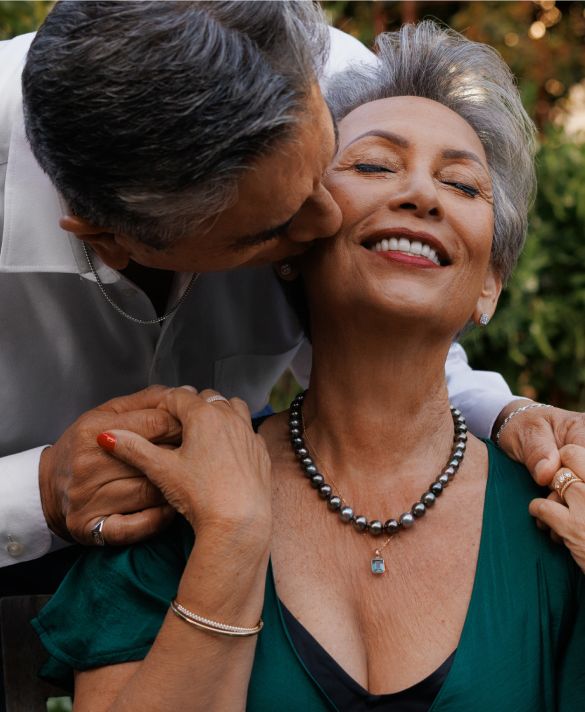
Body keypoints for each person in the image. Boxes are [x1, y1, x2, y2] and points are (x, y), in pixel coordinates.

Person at [33, 21, 585, 711]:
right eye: (375, 166)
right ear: (292, 235)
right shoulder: (161, 506)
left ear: (489, 284)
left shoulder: (564, 527)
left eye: (461, 184)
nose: (422, 194)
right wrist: (229, 543)